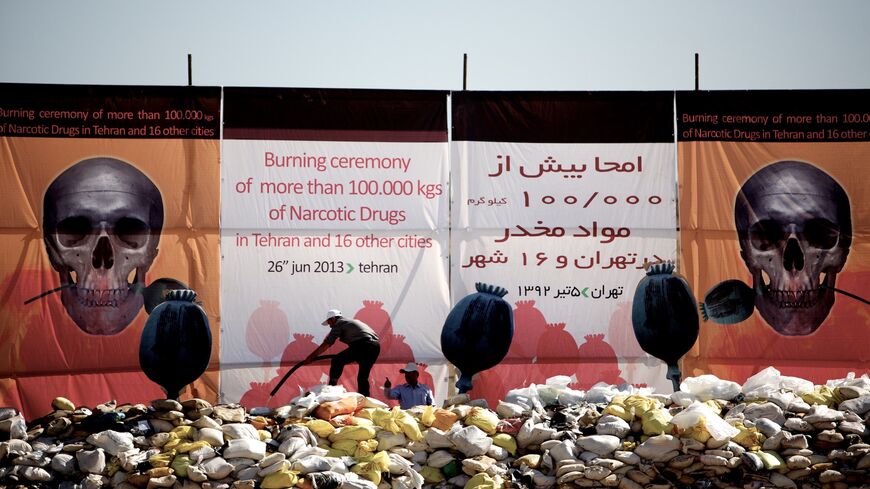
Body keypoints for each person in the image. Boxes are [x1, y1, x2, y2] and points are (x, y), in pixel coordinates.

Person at [305, 309, 381, 396]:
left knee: (337, 360)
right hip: (375, 347)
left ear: (333, 319)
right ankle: (365, 398)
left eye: (329, 323)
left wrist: (311, 357)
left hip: (363, 345)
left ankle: (331, 388)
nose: (330, 326)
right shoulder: (350, 322)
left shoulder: (339, 323)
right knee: (362, 377)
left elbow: (327, 343)